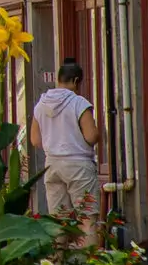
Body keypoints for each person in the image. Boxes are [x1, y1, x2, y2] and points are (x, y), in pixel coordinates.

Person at [30, 60, 104, 241]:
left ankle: (58, 264)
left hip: (52, 165)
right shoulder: (79, 103)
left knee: (59, 221)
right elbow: (91, 136)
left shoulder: (41, 104)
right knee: (86, 218)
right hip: (78, 166)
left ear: (58, 79)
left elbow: (35, 140)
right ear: (76, 81)